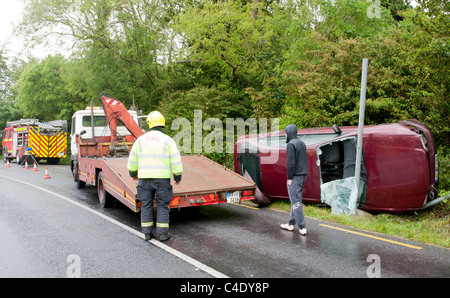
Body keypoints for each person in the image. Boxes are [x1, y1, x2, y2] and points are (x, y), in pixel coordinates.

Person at [128, 111, 183, 241]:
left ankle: (147, 233)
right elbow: (176, 160)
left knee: (146, 204)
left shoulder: (140, 140)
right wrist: (177, 176)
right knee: (163, 205)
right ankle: (163, 234)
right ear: (162, 124)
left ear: (149, 124)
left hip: (144, 179)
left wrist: (133, 173)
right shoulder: (168, 141)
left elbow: (132, 160)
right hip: (162, 179)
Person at [280, 124, 308, 235]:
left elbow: (290, 163)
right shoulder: (302, 143)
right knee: (296, 199)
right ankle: (290, 224)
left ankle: (302, 227)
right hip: (303, 175)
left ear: (289, 132)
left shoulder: (291, 144)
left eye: (286, 132)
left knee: (295, 202)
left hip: (295, 176)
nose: (285, 134)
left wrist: (289, 178)